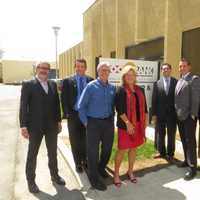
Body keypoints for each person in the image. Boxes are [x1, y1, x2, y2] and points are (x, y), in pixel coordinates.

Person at [19, 62, 65, 193]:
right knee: (32, 154)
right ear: (37, 69)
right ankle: (31, 181)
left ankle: (55, 175)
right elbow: (23, 106)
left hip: (51, 126)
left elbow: (57, 104)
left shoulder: (52, 84)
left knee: (52, 153)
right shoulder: (28, 85)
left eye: (47, 69)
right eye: (42, 68)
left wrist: (59, 121)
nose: (44, 70)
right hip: (35, 126)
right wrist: (23, 125)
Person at [78, 62, 116, 191]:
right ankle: (94, 179)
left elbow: (113, 106)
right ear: (98, 71)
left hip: (108, 122)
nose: (105, 72)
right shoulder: (90, 86)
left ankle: (101, 168)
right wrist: (86, 123)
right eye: (103, 70)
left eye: (107, 70)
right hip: (93, 123)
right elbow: (81, 106)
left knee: (107, 149)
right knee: (93, 152)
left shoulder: (112, 88)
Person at [114, 63, 148, 187]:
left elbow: (144, 109)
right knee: (122, 149)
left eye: (132, 75)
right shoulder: (120, 90)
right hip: (125, 125)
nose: (130, 77)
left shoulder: (140, 90)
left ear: (135, 76)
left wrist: (145, 123)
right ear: (124, 76)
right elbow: (120, 110)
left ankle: (130, 171)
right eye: (127, 75)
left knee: (134, 148)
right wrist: (128, 124)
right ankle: (116, 175)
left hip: (138, 124)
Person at [61, 59, 93, 173]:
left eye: (82, 66)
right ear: (75, 67)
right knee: (75, 140)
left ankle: (85, 161)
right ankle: (78, 163)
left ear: (85, 67)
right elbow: (63, 99)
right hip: (73, 115)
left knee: (86, 139)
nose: (80, 68)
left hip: (87, 115)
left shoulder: (91, 80)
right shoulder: (67, 81)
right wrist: (67, 114)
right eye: (78, 66)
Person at [175, 58, 200, 180]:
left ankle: (192, 168)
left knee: (190, 142)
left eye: (184, 66)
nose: (181, 68)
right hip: (180, 116)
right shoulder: (180, 80)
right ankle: (186, 160)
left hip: (189, 117)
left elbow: (196, 99)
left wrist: (193, 115)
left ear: (189, 67)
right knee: (184, 141)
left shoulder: (194, 79)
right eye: (180, 66)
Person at [151, 63, 177, 162]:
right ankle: (161, 152)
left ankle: (170, 154)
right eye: (163, 69)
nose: (165, 70)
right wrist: (153, 115)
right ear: (161, 71)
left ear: (170, 70)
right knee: (160, 134)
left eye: (167, 69)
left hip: (172, 114)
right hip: (160, 114)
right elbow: (154, 100)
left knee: (171, 134)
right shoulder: (157, 83)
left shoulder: (176, 82)